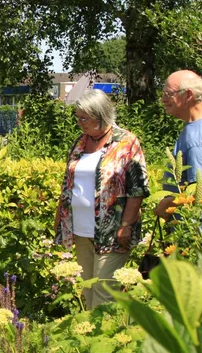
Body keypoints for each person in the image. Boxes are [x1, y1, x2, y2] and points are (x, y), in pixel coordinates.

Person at [54, 89, 150, 309]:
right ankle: (90, 332)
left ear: (100, 116)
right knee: (88, 291)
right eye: (78, 117)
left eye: (84, 118)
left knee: (104, 293)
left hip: (113, 232)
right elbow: (68, 184)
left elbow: (137, 189)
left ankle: (108, 330)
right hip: (81, 231)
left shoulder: (126, 143)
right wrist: (60, 217)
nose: (79, 123)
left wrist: (126, 225)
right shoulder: (81, 142)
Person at [155, 70, 202, 220]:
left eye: (168, 94)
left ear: (188, 95)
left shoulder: (196, 138)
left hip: (197, 226)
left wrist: (167, 204)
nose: (163, 99)